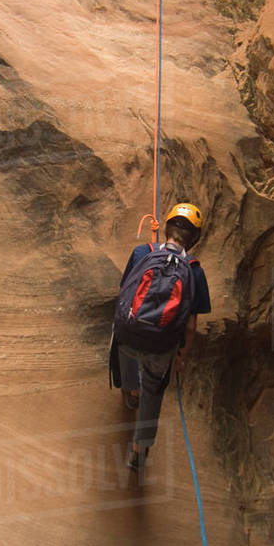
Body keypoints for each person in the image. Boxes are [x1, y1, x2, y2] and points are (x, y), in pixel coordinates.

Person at [115, 202, 211, 476]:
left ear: (166, 227)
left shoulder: (142, 253)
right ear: (195, 238)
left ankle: (130, 391)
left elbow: (126, 291)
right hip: (160, 346)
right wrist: (181, 357)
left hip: (128, 335)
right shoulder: (194, 270)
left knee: (124, 344)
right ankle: (139, 452)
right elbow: (190, 326)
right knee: (154, 392)